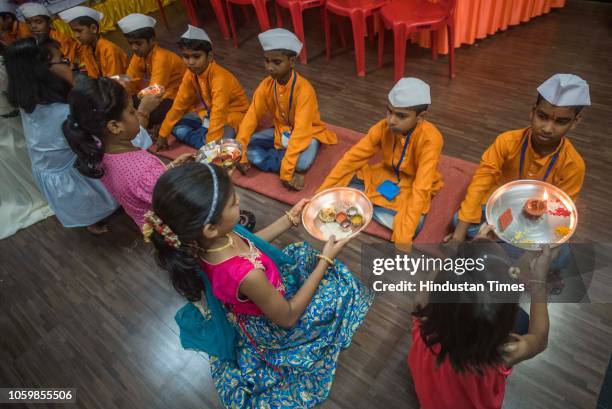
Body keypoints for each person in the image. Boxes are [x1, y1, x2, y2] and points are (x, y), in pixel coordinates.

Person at [144, 162, 373, 407]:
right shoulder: (246, 275)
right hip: (277, 317)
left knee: (302, 255)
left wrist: (290, 219)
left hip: (263, 291)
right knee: (338, 287)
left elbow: (252, 244)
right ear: (210, 228)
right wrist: (326, 260)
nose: (239, 199)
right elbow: (287, 316)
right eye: (232, 201)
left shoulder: (203, 241)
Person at [5, 38, 156, 233]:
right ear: (44, 72)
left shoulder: (32, 103)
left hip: (54, 175)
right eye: (63, 60)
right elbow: (119, 138)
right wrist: (143, 111)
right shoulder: (66, 113)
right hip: (73, 179)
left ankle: (91, 219)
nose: (71, 65)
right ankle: (109, 205)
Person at [408, 225, 555, 409]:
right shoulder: (500, 354)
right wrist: (539, 278)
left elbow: (438, 281)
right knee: (524, 321)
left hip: (430, 400)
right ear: (503, 323)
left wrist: (471, 249)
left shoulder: (422, 319)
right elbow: (540, 338)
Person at [448, 74, 590, 242]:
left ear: (575, 122)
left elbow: (560, 212)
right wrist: (457, 237)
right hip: (499, 204)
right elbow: (480, 183)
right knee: (459, 221)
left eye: (560, 122)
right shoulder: (507, 141)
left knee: (560, 255)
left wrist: (529, 228)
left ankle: (493, 239)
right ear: (532, 111)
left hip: (537, 217)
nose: (547, 128)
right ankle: (495, 240)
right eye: (542, 116)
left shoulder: (574, 165)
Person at [319, 78, 443, 250]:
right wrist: (320, 195)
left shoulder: (432, 139)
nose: (391, 120)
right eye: (389, 111)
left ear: (420, 117)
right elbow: (352, 158)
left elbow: (422, 187)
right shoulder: (382, 127)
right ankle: (366, 205)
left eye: (401, 115)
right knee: (347, 178)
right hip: (382, 176)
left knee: (413, 226)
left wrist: (403, 239)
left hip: (412, 186)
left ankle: (361, 205)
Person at [63, 77, 192, 229]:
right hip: (174, 227)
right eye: (132, 111)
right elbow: (183, 205)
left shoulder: (97, 150)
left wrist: (169, 170)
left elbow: (147, 187)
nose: (137, 113)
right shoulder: (145, 171)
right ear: (115, 126)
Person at [235, 28, 337, 191]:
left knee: (302, 163)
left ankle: (283, 162)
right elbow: (251, 117)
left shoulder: (305, 90)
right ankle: (283, 161)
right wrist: (239, 153)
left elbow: (302, 130)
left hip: (307, 133)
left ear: (292, 61)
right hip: (280, 131)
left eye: (276, 62)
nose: (269, 67)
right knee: (248, 143)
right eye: (267, 61)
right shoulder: (266, 85)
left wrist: (286, 172)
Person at [157, 25, 249, 150]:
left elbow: (219, 113)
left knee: (217, 141)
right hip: (208, 115)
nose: (190, 62)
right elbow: (179, 103)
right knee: (174, 126)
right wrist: (163, 134)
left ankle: (206, 141)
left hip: (232, 117)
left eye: (196, 56)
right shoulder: (191, 74)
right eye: (186, 56)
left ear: (210, 56)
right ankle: (205, 139)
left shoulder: (220, 78)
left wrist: (209, 149)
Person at [0, 42, 52, 239]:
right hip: (11, 119)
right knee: (24, 153)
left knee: (12, 162)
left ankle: (23, 196)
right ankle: (43, 192)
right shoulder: (3, 67)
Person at [119, 13, 186, 129]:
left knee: (152, 115)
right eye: (131, 43)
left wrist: (138, 109)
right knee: (124, 100)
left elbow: (156, 90)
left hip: (176, 94)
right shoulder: (139, 55)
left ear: (152, 40)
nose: (134, 47)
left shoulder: (162, 57)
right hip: (160, 92)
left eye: (138, 43)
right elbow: (130, 79)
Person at [17, 2, 97, 76]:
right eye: (29, 22)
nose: (33, 26)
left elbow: (69, 65)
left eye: (38, 22)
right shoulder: (34, 39)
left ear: (49, 23)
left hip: (82, 70)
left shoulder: (60, 39)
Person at [58, 6, 128, 77]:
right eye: (74, 31)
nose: (76, 35)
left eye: (79, 31)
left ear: (93, 28)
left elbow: (115, 81)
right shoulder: (87, 49)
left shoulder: (109, 50)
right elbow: (93, 76)